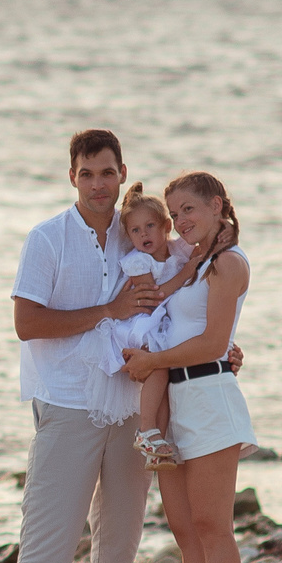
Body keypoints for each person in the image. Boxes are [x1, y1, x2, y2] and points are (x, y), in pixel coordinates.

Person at [0, 130, 164, 563]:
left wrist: (222, 345)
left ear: (122, 175)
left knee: (120, 534)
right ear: (73, 176)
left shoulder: (137, 235)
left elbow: (185, 287)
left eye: (108, 173)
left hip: (127, 402)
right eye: (87, 173)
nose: (98, 184)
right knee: (50, 535)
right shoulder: (48, 239)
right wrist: (107, 311)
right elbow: (27, 323)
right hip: (66, 402)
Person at [120, 171, 254, 563]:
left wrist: (150, 362)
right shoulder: (192, 264)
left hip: (210, 399)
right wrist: (157, 366)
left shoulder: (229, 263)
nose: (181, 221)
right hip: (176, 399)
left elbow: (214, 342)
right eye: (175, 214)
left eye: (190, 210)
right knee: (184, 530)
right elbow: (184, 326)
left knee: (213, 528)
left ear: (218, 205)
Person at [86, 184, 199, 468]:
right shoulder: (137, 262)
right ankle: (146, 430)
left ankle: (156, 440)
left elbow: (204, 243)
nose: (143, 234)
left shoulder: (176, 250)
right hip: (140, 325)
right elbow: (154, 296)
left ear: (166, 226)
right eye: (135, 230)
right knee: (159, 367)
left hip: (163, 325)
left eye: (150, 226)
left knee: (163, 379)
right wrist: (186, 273)